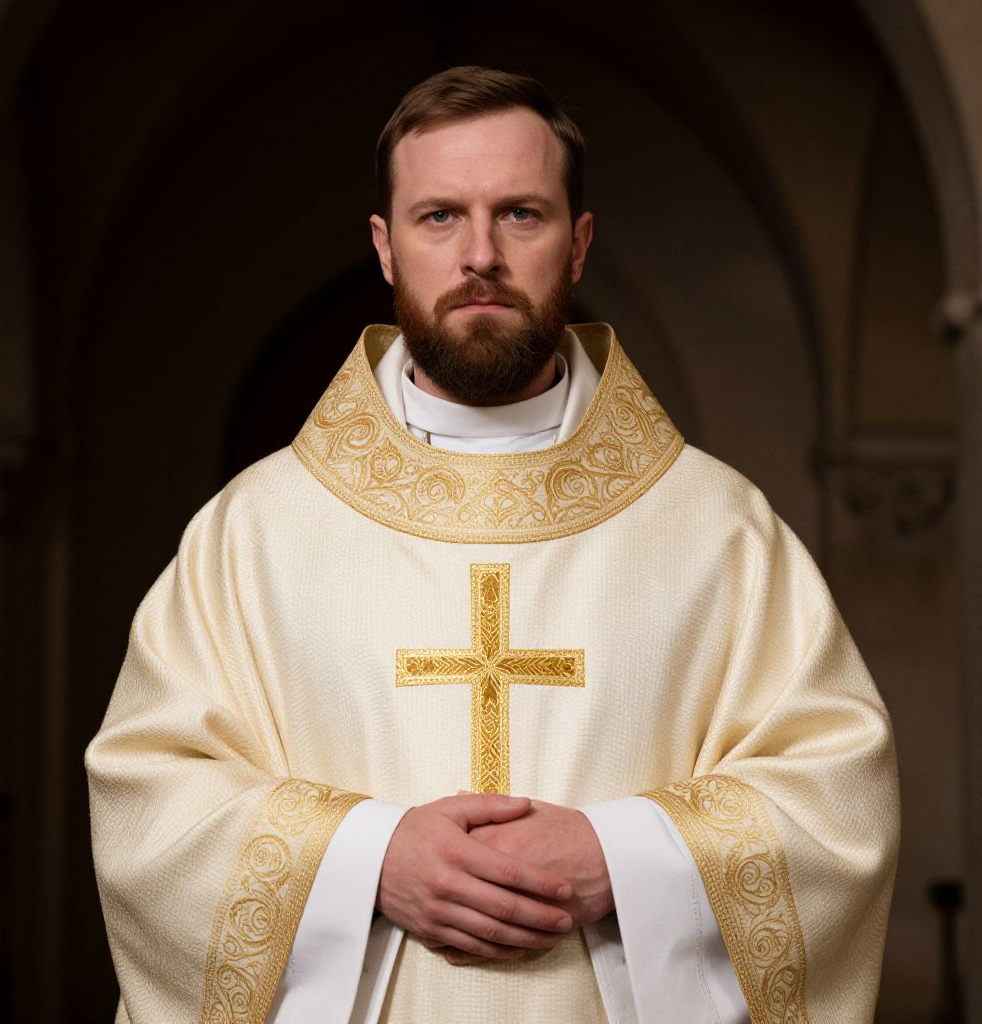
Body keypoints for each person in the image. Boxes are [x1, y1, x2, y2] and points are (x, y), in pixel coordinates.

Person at [86, 66, 899, 1024]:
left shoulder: (717, 532)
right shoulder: (255, 534)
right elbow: (151, 801)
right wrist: (369, 859)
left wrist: (623, 859)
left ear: (579, 241)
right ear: (386, 250)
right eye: (439, 217)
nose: (480, 255)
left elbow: (835, 796)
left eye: (520, 214)